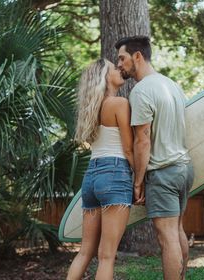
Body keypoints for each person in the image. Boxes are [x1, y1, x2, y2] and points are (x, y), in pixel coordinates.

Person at [115, 36, 194, 280]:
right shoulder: (171, 85)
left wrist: (138, 181)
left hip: (163, 172)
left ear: (137, 56)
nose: (119, 64)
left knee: (166, 237)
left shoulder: (141, 91)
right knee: (176, 230)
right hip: (184, 168)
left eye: (122, 58)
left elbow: (143, 140)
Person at [66, 58, 134, 280]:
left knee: (85, 252)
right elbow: (128, 148)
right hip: (115, 174)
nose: (119, 69)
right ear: (106, 77)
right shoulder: (119, 104)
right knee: (106, 256)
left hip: (91, 178)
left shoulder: (90, 110)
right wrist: (140, 178)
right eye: (114, 68)